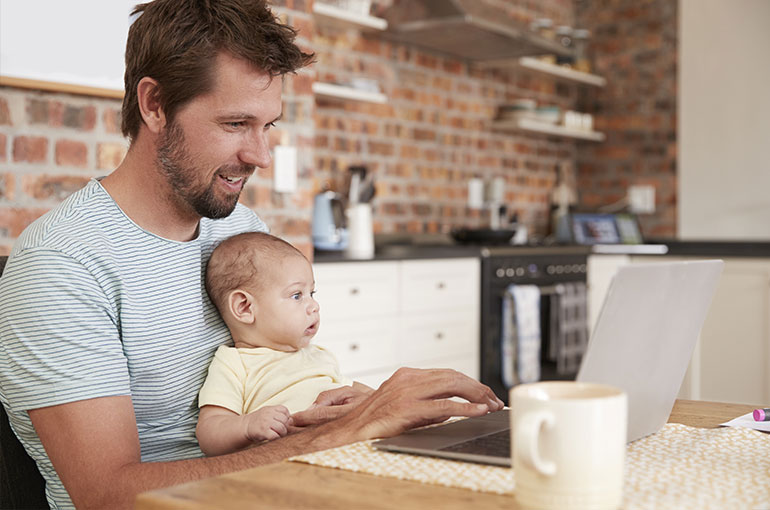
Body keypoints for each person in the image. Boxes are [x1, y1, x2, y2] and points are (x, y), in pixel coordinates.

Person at [0, 1, 503, 509]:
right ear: (154, 104)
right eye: (236, 123)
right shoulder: (61, 265)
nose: (260, 155)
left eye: (268, 126)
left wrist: (338, 408)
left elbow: (268, 380)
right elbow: (105, 495)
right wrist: (341, 435)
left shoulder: (239, 229)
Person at [196, 231, 373, 456]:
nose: (314, 305)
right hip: (291, 461)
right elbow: (209, 433)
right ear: (245, 308)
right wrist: (247, 426)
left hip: (347, 447)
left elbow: (352, 395)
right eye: (297, 295)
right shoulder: (234, 363)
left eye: (312, 292)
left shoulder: (319, 354)